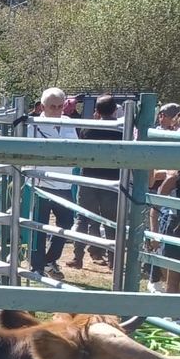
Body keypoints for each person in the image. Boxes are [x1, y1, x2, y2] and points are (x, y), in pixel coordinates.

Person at [27, 87, 77, 280]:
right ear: (42, 106)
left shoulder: (69, 123)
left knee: (67, 223)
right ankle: (37, 266)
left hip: (65, 182)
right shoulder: (32, 125)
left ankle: (50, 259)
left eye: (59, 106)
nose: (56, 110)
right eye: (52, 107)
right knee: (39, 227)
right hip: (41, 183)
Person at [74, 95, 121, 269]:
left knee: (83, 219)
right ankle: (113, 261)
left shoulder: (88, 129)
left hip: (89, 180)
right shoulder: (121, 130)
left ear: (97, 112)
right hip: (113, 181)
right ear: (115, 110)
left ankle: (77, 257)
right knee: (111, 222)